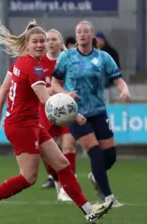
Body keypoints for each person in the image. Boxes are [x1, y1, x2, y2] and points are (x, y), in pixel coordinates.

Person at [0, 21, 114, 224]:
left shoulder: (19, 63)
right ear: (28, 44)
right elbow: (45, 101)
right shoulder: (34, 67)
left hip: (28, 124)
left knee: (63, 165)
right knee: (28, 178)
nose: (40, 45)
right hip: (22, 126)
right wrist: (76, 115)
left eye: (42, 41)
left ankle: (88, 210)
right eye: (36, 42)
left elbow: (4, 89)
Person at [51, 20, 131, 208]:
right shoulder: (67, 57)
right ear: (76, 35)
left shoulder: (103, 57)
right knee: (95, 152)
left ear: (92, 35)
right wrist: (65, 94)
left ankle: (96, 176)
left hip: (98, 111)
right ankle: (108, 198)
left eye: (86, 31)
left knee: (109, 156)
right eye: (79, 32)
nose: (82, 35)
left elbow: (118, 79)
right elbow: (55, 82)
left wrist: (124, 90)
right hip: (75, 113)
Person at [38, 29, 77, 202]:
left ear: (60, 42)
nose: (50, 42)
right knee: (49, 151)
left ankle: (68, 187)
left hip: (67, 108)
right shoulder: (39, 62)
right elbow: (36, 89)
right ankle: (56, 179)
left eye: (54, 39)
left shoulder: (68, 61)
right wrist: (50, 90)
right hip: (47, 110)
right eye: (48, 39)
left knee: (69, 147)